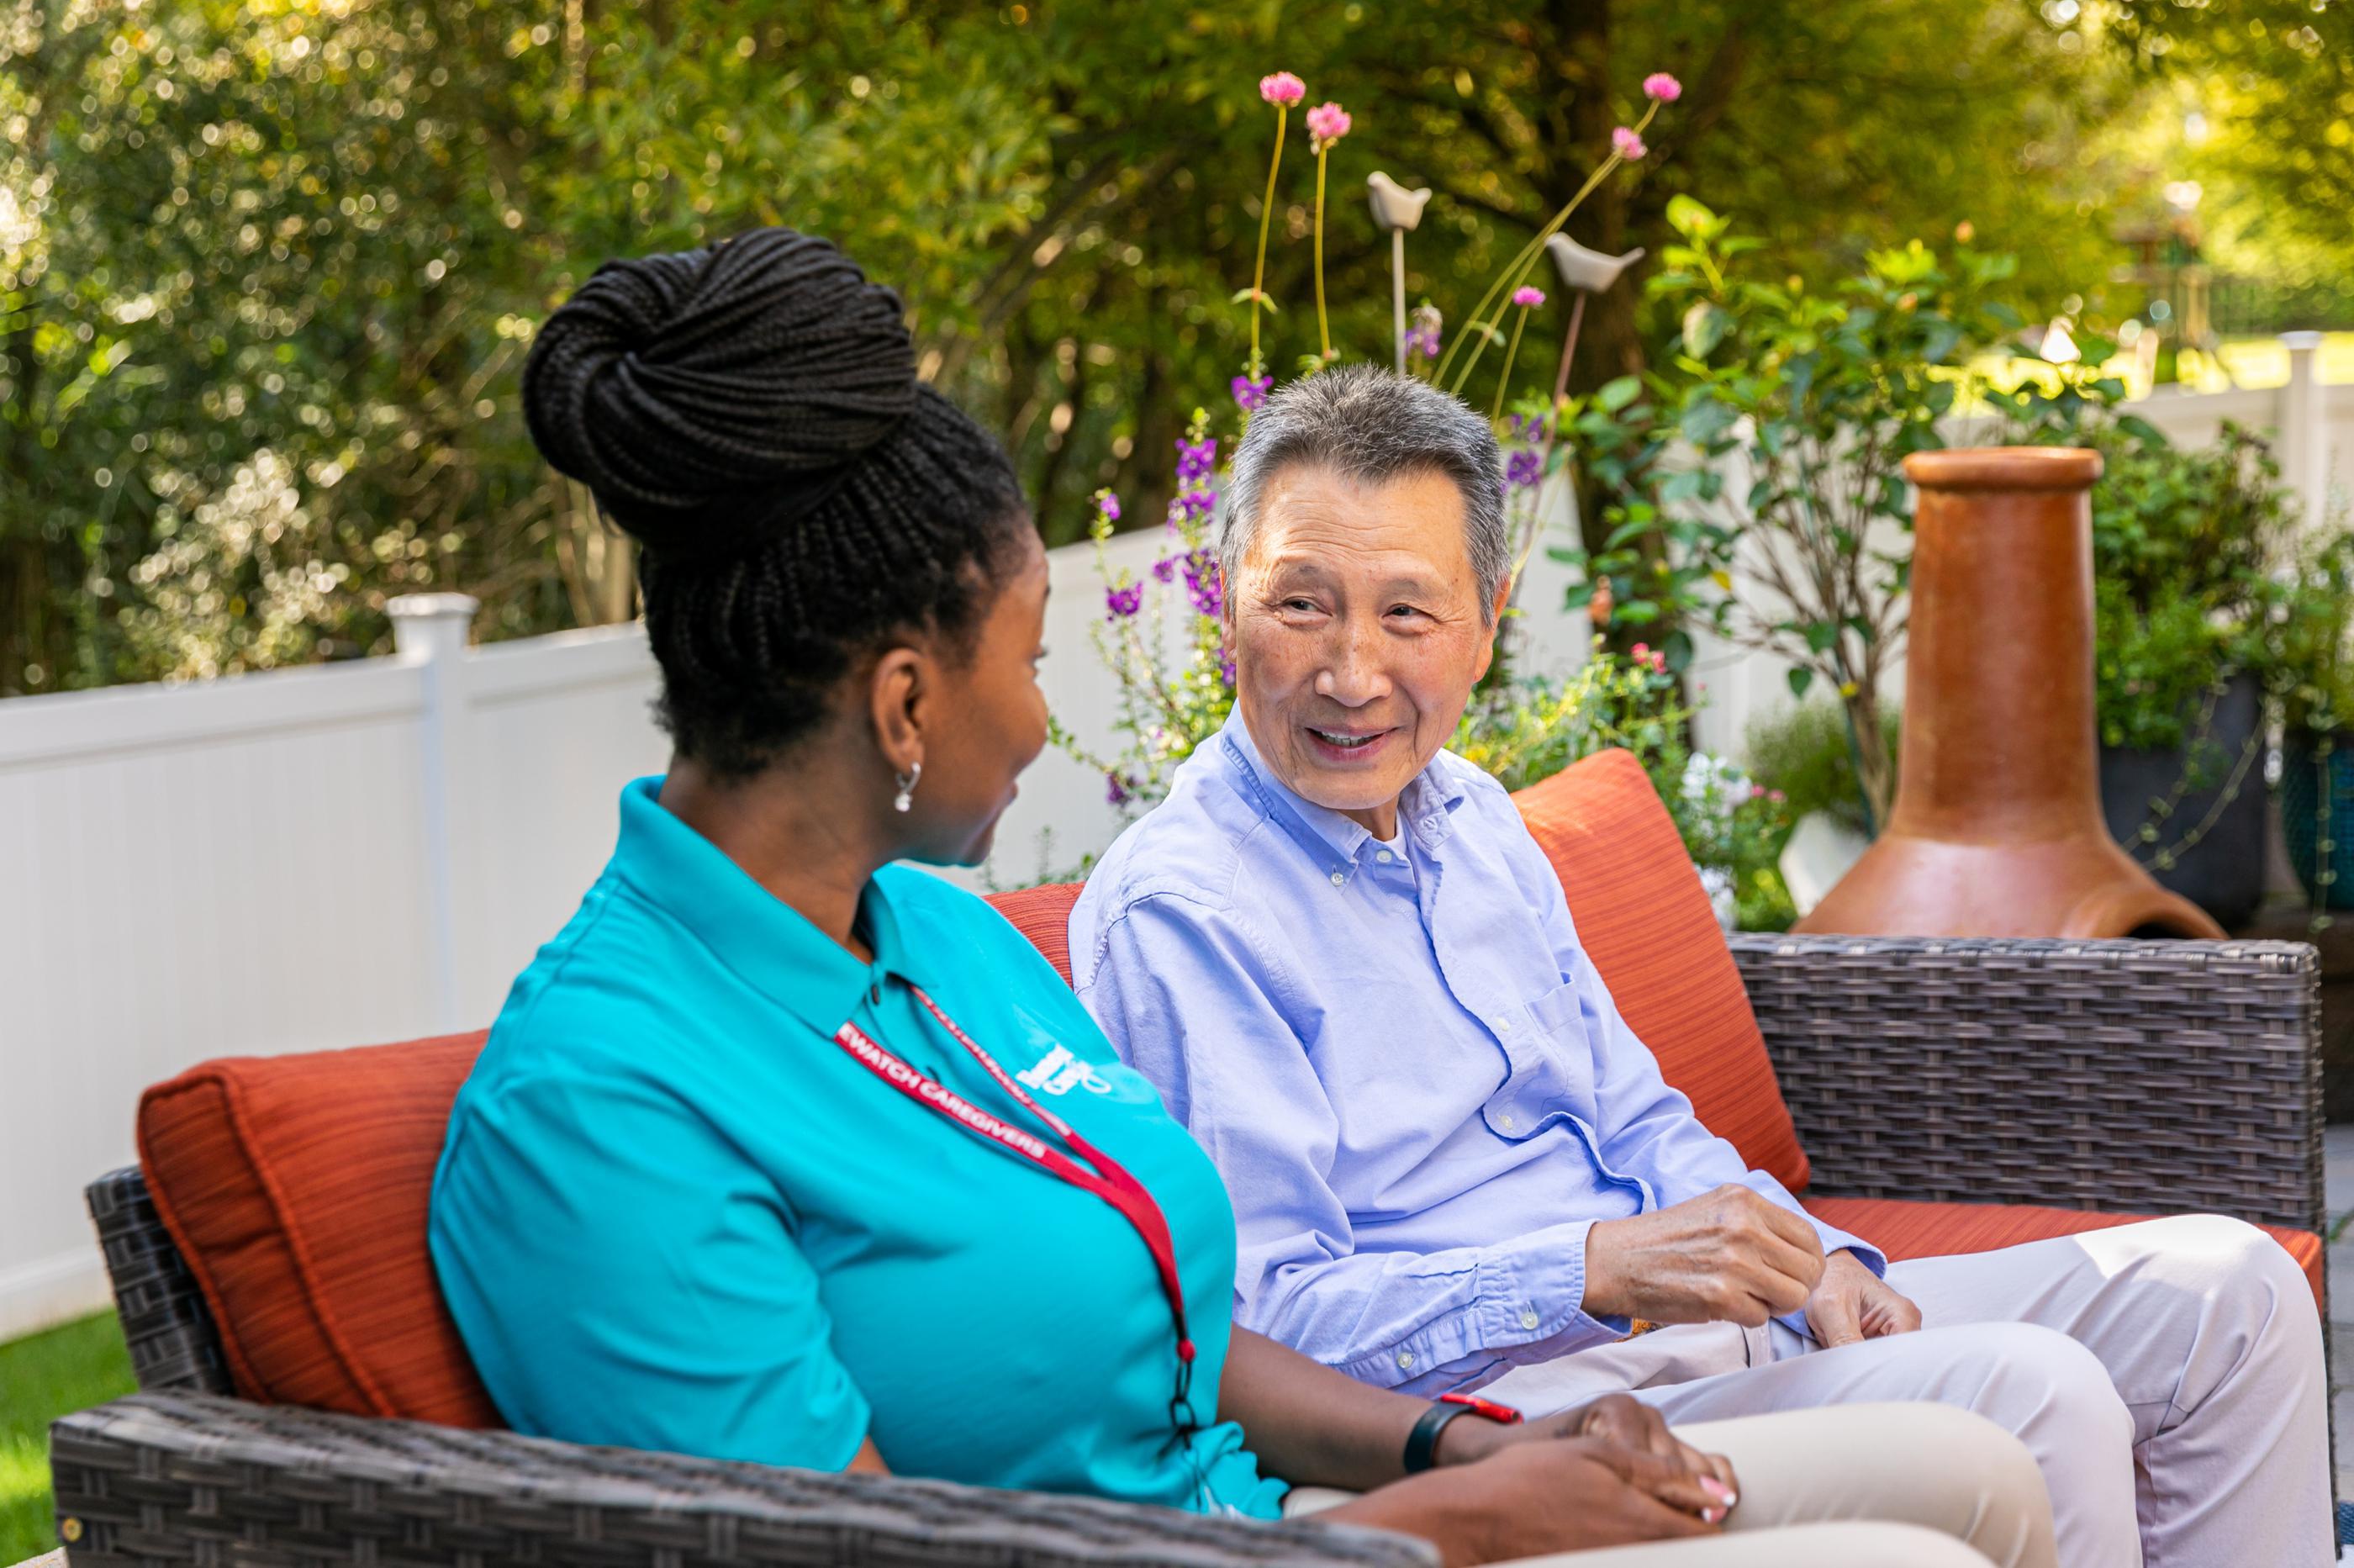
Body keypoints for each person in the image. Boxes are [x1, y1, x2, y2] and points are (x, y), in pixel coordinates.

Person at [426, 230, 2056, 1568]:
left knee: (1983, 1475)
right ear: (905, 708)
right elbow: (854, 1545)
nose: (1052, 722)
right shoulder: (601, 1104)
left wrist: (1469, 1443)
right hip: (1287, 1551)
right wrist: (1449, 1518)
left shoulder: (937, 946)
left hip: (1306, 1511)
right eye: (1032, 658)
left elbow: (1199, 1338)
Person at [1069, 364, 2334, 1568]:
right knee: (2041, 1396)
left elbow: (1640, 1120)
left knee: (2228, 1294)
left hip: (1699, 1332)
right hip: (1526, 1404)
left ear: (1486, 628)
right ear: (1226, 595)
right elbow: (1271, 1321)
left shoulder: (1476, 824)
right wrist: (1595, 1269)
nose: (1351, 671)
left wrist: (1824, 1261)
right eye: (1301, 603)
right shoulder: (1186, 911)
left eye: (1407, 611)